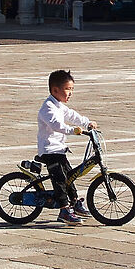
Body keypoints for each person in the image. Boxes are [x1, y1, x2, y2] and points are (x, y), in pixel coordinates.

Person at [27, 68, 94, 225]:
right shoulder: (48, 108)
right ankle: (64, 209)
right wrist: (73, 130)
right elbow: (57, 125)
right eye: (67, 89)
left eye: (72, 89)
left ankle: (75, 201)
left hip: (59, 149)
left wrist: (87, 122)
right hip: (49, 150)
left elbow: (72, 115)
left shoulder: (59, 105)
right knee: (60, 179)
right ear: (55, 90)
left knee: (70, 176)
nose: (70, 93)